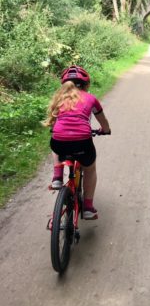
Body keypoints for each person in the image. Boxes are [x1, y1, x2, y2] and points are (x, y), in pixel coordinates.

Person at [43, 65, 111, 220]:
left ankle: (57, 178)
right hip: (83, 143)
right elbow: (103, 121)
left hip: (60, 142)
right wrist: (105, 130)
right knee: (90, 169)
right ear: (86, 85)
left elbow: (54, 121)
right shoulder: (91, 99)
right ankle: (87, 207)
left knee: (55, 143)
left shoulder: (59, 98)